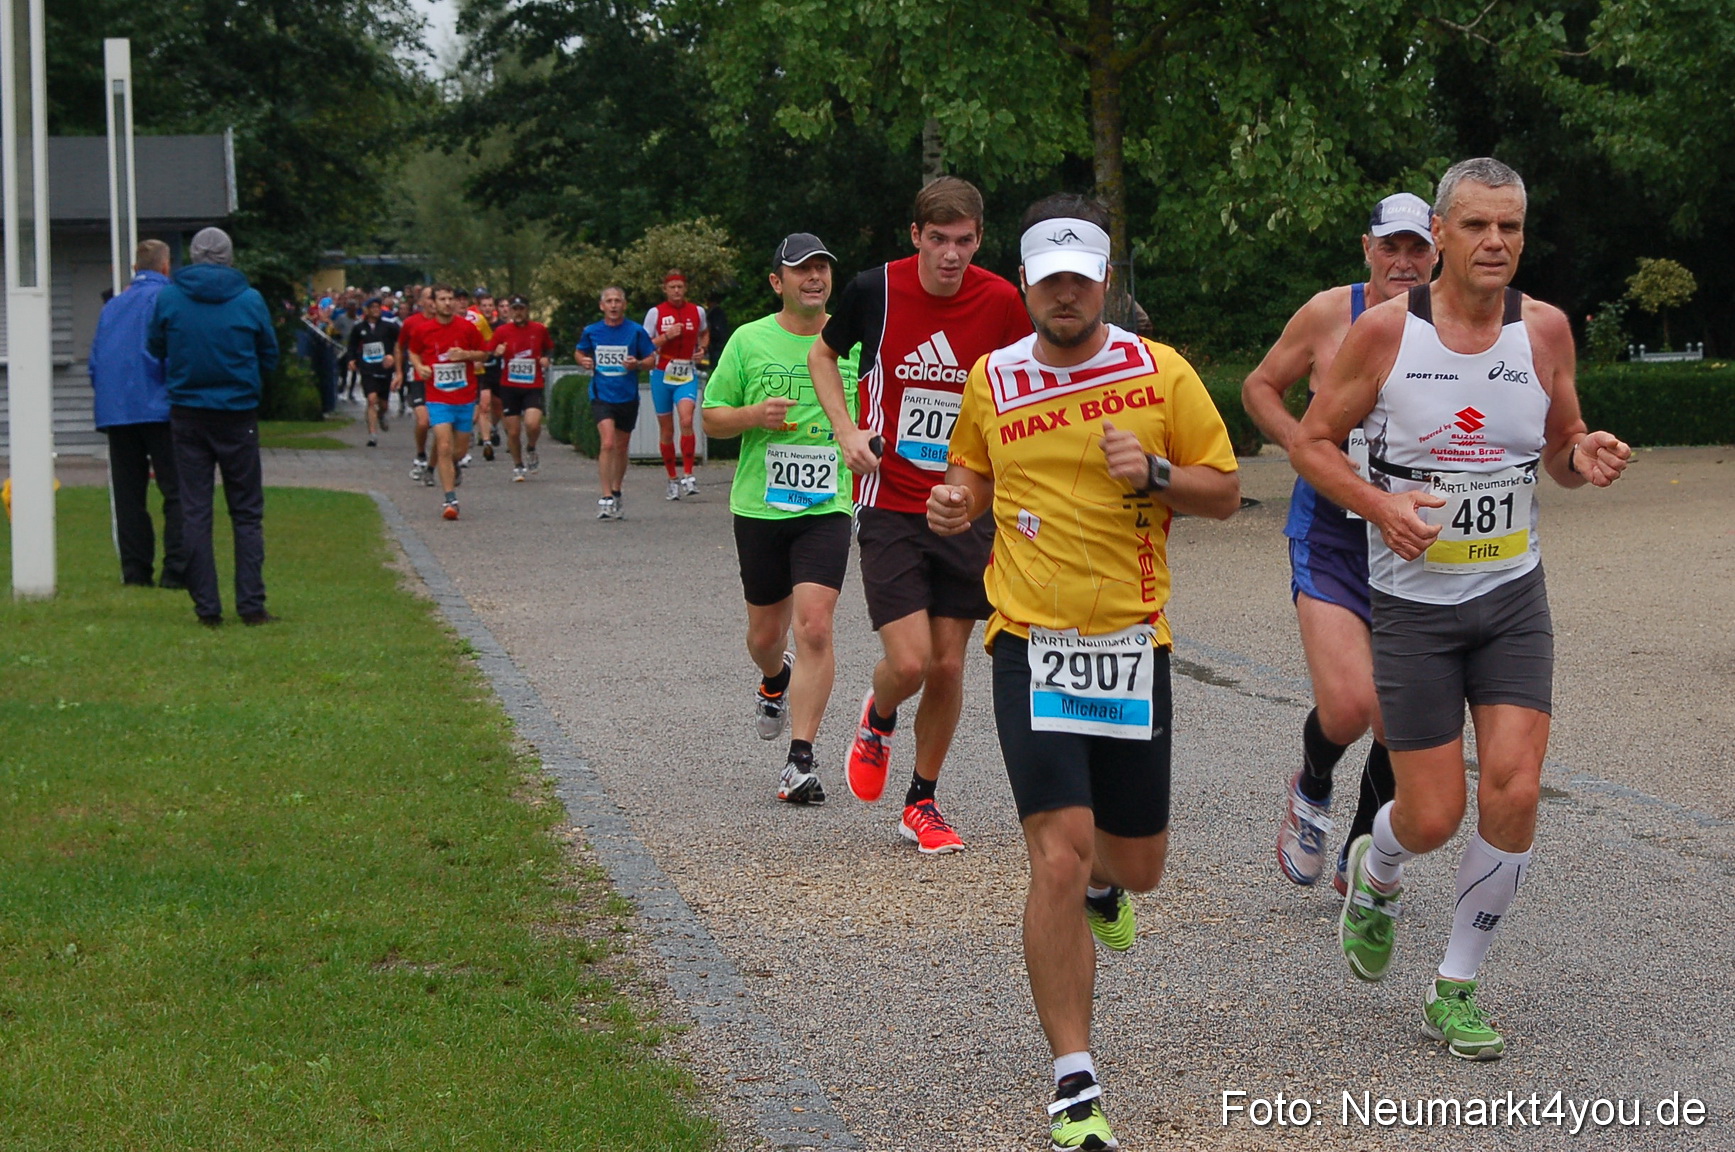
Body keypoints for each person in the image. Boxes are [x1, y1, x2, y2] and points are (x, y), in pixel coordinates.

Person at [1292, 157, 1632, 1061]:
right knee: (1432, 815)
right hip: (1412, 608)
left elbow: (1558, 444)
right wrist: (1380, 507)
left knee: (1514, 786)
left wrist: (1581, 455)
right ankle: (1378, 864)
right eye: (1476, 225)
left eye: (1509, 227)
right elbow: (1312, 443)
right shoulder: (1384, 334)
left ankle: (1455, 985)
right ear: (1438, 234)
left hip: (1511, 596)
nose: (1494, 242)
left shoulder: (1545, 330)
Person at [930, 194, 1239, 1150]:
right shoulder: (992, 378)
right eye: (1047, 280)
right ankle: (1074, 1078)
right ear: (1025, 284)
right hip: (1028, 641)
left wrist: (1155, 474)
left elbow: (1225, 492)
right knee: (1056, 855)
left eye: (1079, 279)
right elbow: (971, 471)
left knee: (1134, 865)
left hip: (1132, 646)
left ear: (1104, 280)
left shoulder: (1160, 371)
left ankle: (1110, 887)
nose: (1063, 295)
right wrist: (956, 500)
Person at [809, 175, 1031, 854]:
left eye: (963, 240)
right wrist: (846, 431)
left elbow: (1029, 383)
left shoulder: (1002, 301)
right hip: (889, 500)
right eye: (938, 239)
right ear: (916, 236)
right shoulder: (873, 289)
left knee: (949, 666)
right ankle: (878, 716)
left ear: (978, 239)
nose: (950, 254)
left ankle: (921, 801)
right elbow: (822, 353)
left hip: (964, 504)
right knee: (908, 664)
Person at [1241, 192, 1438, 893]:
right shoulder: (1330, 313)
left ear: (1438, 251)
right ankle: (1312, 784)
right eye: (1391, 246)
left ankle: (1360, 845)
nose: (1404, 261)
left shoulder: (1459, 325)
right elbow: (1260, 386)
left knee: (1396, 717)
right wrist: (1304, 444)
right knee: (1351, 704)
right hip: (1331, 535)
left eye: (1417, 248)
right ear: (1367, 249)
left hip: (1415, 543)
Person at [702, 234, 861, 803]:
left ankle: (800, 760)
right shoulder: (749, 340)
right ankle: (775, 678)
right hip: (760, 506)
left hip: (828, 503)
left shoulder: (855, 340)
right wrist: (753, 414)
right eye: (801, 270)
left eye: (822, 268)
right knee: (766, 636)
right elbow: (711, 418)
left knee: (815, 624)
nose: (814, 278)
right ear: (778, 282)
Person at [146, 226, 280, 626]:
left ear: (192, 255)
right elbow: (269, 354)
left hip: (188, 411)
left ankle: (207, 607)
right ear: (229, 256)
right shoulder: (249, 299)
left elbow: (155, 346)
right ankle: (251, 604)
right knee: (246, 511)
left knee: (195, 510)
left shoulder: (170, 297)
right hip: (237, 413)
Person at [89, 238, 186, 590]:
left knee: (129, 495)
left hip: (118, 410)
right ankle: (176, 570)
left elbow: (96, 361)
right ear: (166, 266)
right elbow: (175, 353)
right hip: (160, 407)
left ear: (135, 268)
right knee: (177, 491)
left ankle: (135, 571)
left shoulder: (113, 306)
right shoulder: (169, 299)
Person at [405, 284, 489, 520]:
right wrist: (419, 366)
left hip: (464, 396)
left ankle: (453, 466)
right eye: (442, 299)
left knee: (458, 451)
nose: (448, 303)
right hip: (437, 397)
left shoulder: (467, 328)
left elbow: (484, 353)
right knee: (443, 445)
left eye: (450, 298)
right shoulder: (423, 330)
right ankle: (450, 500)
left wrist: (466, 355)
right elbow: (413, 351)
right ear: (433, 303)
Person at [575, 287, 656, 518]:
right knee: (608, 443)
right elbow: (579, 352)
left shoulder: (635, 331)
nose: (613, 305)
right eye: (609, 301)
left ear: (624, 305)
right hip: (602, 395)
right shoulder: (592, 331)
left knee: (621, 446)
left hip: (627, 396)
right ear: (602, 306)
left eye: (617, 301)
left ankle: (616, 489)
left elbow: (651, 359)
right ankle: (605, 496)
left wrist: (637, 364)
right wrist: (584, 361)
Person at [643, 270, 709, 498]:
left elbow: (704, 333)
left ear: (685, 288)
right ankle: (672, 478)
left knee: (687, 420)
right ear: (665, 290)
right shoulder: (655, 313)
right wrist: (666, 336)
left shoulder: (697, 311)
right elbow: (644, 344)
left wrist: (702, 349)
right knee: (667, 430)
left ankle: (688, 475)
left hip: (686, 373)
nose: (677, 291)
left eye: (680, 286)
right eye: (672, 287)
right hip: (661, 374)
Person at [489, 294, 554, 481]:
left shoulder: (539, 329)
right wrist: (496, 352)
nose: (518, 313)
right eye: (514, 309)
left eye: (521, 309)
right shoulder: (502, 331)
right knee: (513, 431)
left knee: (533, 423)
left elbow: (549, 347)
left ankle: (531, 447)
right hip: (509, 386)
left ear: (527, 310)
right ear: (510, 311)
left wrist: (546, 358)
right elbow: (489, 351)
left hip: (533, 384)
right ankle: (518, 465)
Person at [345, 296, 400, 447]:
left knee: (383, 404)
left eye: (378, 307)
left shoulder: (389, 326)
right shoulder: (359, 328)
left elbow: (401, 342)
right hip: (367, 368)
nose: (376, 310)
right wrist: (351, 359)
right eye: (373, 307)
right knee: (371, 399)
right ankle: (372, 435)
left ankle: (381, 415)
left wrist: (393, 357)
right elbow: (352, 346)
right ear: (367, 310)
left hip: (384, 369)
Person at [398, 287, 436, 482]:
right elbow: (399, 346)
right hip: (419, 378)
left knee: (442, 427)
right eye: (430, 298)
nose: (434, 302)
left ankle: (435, 465)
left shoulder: (448, 322)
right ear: (421, 302)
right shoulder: (411, 323)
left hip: (442, 381)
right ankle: (421, 455)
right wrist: (398, 372)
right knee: (423, 421)